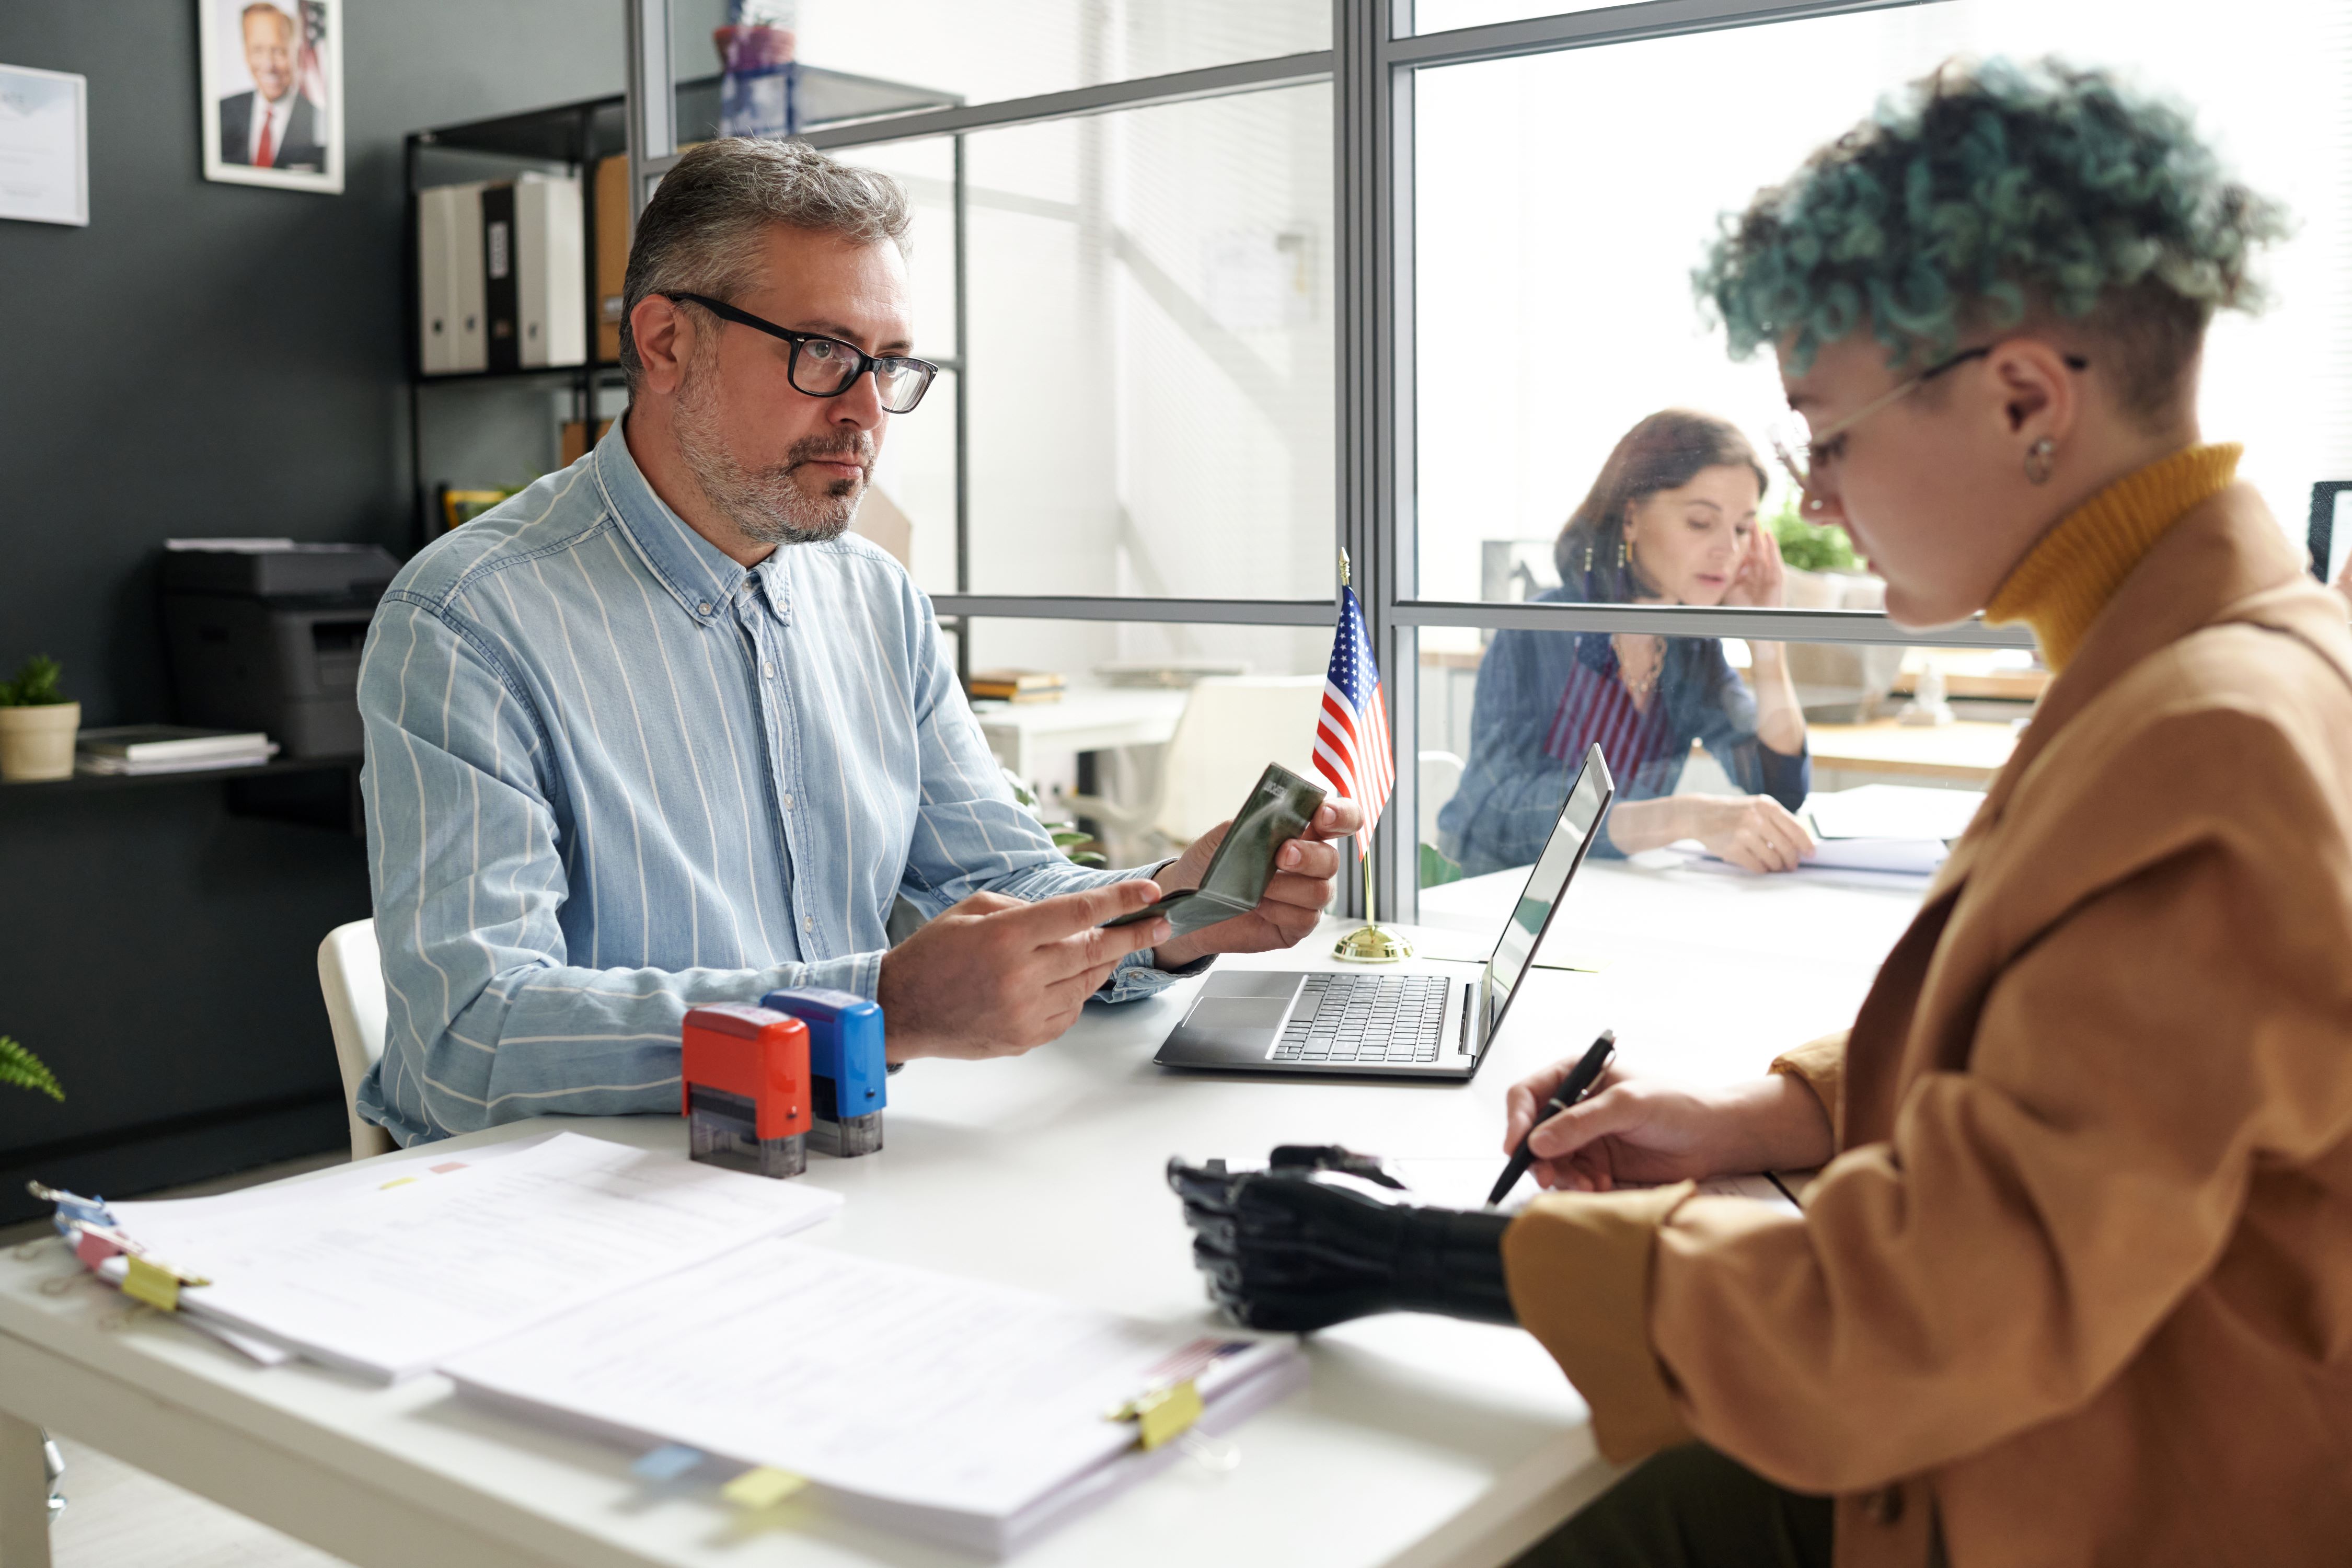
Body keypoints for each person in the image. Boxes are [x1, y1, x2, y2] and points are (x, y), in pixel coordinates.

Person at [1174, 57, 2352, 1566]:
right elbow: (2082, 1075)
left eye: (1824, 436)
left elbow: (1915, 1321)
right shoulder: (2214, 659)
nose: (1807, 509)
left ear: (2022, 399)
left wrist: (1443, 1251)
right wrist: (1771, 1112)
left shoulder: (2206, 742)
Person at [353, 139, 1358, 1146]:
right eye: (824, 353)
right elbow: (464, 1045)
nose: (868, 412)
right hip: (589, 1215)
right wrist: (882, 1009)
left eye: (889, 365)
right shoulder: (467, 621)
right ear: (664, 344)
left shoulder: (875, 599)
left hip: (835, 1170)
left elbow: (1005, 882)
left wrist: (1174, 911)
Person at [1437, 411, 1814, 878]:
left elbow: (1780, 789)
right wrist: (1682, 817)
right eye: (1701, 522)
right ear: (1631, 517)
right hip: (1496, 900)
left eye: (1741, 529)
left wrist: (1767, 645)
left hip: (1611, 895)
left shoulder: (1690, 647)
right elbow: (1492, 813)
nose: (1728, 550)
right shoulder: (1538, 629)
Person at [217, 3, 322, 172]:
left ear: (297, 52)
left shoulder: (319, 122)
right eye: (258, 50)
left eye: (279, 51)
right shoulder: (219, 114)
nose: (268, 66)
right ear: (246, 52)